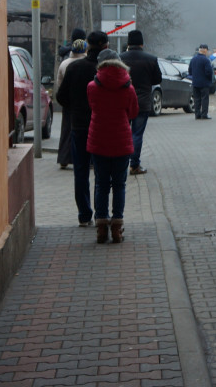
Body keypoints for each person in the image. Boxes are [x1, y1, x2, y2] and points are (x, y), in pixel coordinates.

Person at [55, 30, 108, 226]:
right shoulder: (104, 69)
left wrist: (75, 106)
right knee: (101, 172)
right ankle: (101, 214)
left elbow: (60, 97)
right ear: (105, 46)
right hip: (101, 126)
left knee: (81, 171)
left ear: (87, 44)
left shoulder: (74, 68)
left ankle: (84, 215)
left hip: (78, 126)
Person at [86, 49, 139, 244]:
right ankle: (117, 229)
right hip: (121, 141)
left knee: (101, 184)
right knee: (119, 185)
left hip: (99, 140)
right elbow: (133, 112)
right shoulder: (128, 88)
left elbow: (93, 107)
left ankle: (101, 229)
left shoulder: (92, 86)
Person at [120, 30, 162, 176]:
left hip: (123, 101)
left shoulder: (120, 58)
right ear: (142, 43)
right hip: (142, 102)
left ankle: (121, 163)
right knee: (137, 134)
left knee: (122, 133)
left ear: (129, 43)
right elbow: (157, 80)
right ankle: (135, 165)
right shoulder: (151, 59)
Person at [55, 34, 87, 169]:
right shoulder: (88, 64)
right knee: (83, 131)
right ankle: (83, 158)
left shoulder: (64, 64)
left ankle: (63, 158)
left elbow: (59, 84)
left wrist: (64, 101)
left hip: (68, 103)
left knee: (66, 130)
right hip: (84, 104)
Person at [188, 44, 212, 119]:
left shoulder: (193, 59)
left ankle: (197, 114)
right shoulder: (206, 60)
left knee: (197, 99)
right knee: (205, 99)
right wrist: (209, 79)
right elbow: (209, 72)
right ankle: (204, 114)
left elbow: (190, 71)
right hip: (204, 83)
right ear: (205, 50)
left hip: (195, 83)